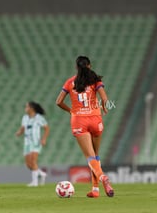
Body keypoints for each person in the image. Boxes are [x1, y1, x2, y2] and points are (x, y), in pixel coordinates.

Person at [56, 56, 114, 198]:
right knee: (96, 155)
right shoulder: (95, 80)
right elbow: (105, 99)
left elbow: (58, 102)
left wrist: (71, 110)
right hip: (95, 119)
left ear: (76, 67)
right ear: (90, 66)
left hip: (79, 121)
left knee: (90, 157)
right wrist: (104, 106)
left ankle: (102, 177)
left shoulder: (70, 82)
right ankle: (95, 190)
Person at [15, 101, 50, 187]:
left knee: (33, 160)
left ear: (32, 108)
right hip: (27, 143)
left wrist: (44, 139)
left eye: (27, 107)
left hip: (36, 142)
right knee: (28, 164)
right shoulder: (25, 117)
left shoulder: (39, 118)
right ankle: (41, 174)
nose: (25, 109)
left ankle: (35, 183)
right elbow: (23, 127)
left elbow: (46, 128)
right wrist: (19, 132)